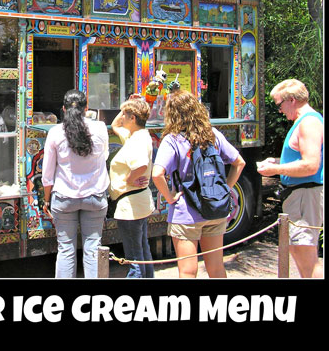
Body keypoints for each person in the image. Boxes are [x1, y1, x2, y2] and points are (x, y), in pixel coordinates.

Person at [151, 90, 245, 278]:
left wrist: (169, 197)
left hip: (187, 212)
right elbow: (239, 163)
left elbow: (157, 173)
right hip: (214, 208)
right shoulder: (213, 135)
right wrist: (225, 189)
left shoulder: (172, 140)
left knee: (187, 271)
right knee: (217, 268)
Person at [257, 79, 323, 278]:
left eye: (279, 105)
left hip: (305, 195)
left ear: (292, 100)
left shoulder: (308, 122)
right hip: (299, 195)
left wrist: (275, 169)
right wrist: (277, 161)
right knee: (299, 252)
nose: (279, 111)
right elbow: (300, 158)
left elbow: (311, 164)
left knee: (307, 259)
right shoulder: (304, 121)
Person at [41, 89, 110, 278]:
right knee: (93, 247)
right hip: (95, 197)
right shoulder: (101, 128)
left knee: (65, 249)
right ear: (86, 108)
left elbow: (47, 174)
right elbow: (105, 156)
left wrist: (46, 200)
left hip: (64, 199)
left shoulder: (55, 133)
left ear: (63, 109)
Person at [109, 95, 156, 278]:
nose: (122, 118)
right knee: (142, 250)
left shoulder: (136, 140)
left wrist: (129, 179)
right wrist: (127, 106)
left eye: (126, 115)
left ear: (133, 118)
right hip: (138, 201)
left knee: (134, 257)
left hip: (130, 205)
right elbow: (115, 125)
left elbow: (141, 165)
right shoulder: (136, 135)